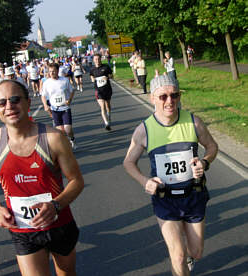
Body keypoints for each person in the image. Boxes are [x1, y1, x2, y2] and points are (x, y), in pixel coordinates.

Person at [123, 74, 218, 276]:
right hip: (165, 199)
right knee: (178, 256)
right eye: (163, 96)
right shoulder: (144, 130)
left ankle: (190, 258)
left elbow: (211, 146)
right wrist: (145, 181)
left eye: (174, 95)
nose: (169, 101)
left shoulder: (193, 122)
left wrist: (204, 162)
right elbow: (128, 162)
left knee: (196, 252)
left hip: (193, 195)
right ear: (152, 98)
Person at [0, 80, 84, 276]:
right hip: (23, 230)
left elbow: (77, 181)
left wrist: (55, 205)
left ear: (28, 103)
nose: (9, 106)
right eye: (2, 103)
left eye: (15, 100)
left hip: (59, 224)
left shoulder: (54, 138)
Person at [41, 63, 77, 150]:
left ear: (57, 71)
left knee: (68, 129)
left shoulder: (65, 80)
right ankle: (66, 145)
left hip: (65, 108)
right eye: (50, 71)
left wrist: (70, 100)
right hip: (54, 109)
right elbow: (43, 95)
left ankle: (72, 139)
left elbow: (72, 91)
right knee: (60, 131)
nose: (51, 73)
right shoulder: (46, 83)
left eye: (53, 71)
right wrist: (45, 105)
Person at [90, 53, 113, 131]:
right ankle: (106, 123)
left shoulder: (106, 67)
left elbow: (111, 76)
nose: (97, 60)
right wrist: (93, 79)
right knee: (102, 106)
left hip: (107, 89)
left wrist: (107, 77)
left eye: (98, 59)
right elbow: (91, 77)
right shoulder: (92, 69)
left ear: (100, 59)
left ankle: (109, 118)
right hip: (98, 91)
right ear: (93, 60)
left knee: (108, 106)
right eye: (95, 59)